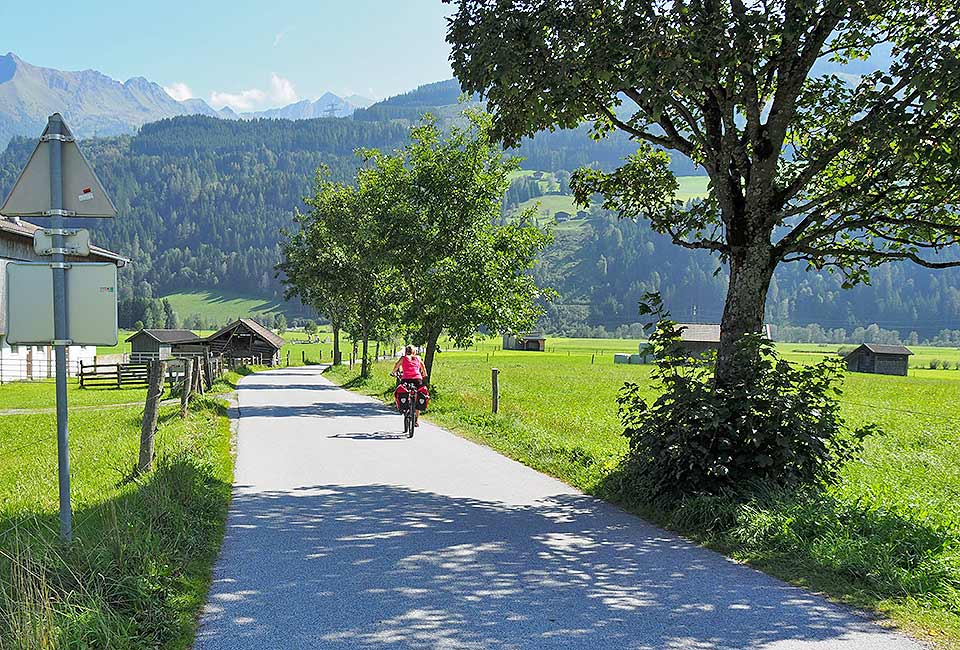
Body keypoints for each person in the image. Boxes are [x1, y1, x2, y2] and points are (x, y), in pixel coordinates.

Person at [393, 345, 427, 426]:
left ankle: (404, 407)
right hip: (417, 379)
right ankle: (416, 420)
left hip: (406, 379)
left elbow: (396, 365)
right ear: (413, 352)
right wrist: (424, 375)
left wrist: (393, 372)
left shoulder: (403, 358)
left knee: (401, 392)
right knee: (418, 395)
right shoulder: (418, 358)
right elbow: (423, 367)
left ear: (406, 351)